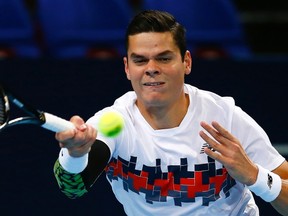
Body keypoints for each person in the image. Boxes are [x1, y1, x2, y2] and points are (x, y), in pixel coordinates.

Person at [53, 10, 288, 215]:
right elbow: (72, 188)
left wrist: (255, 176)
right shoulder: (113, 122)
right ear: (127, 67)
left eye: (164, 58)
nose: (152, 69)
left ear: (186, 62)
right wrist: (75, 154)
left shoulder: (224, 117)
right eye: (140, 60)